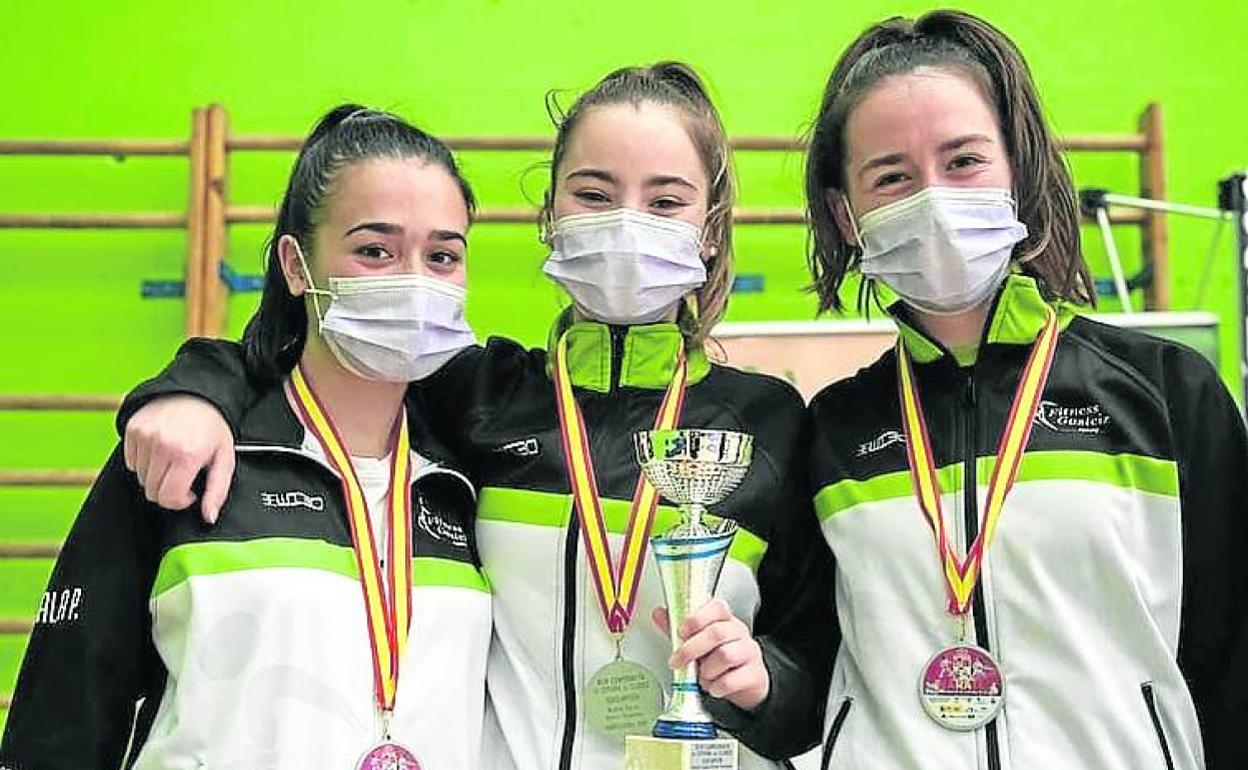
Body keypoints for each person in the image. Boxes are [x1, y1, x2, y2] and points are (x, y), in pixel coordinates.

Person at [111, 63, 836, 769]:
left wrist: (762, 682)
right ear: (550, 216)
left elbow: (814, 688)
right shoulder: (475, 393)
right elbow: (301, 361)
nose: (626, 223)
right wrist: (192, 389)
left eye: (665, 202)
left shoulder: (769, 422)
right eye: (593, 194)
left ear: (709, 228)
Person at [801, 11, 1248, 770]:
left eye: (964, 160)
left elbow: (1232, 660)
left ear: (1016, 172)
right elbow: (807, 676)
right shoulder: (834, 429)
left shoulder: (1165, 394)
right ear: (848, 215)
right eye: (892, 177)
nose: (932, 197)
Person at [0, 105, 492, 769]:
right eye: (374, 251)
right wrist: (198, 382)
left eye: (442, 256)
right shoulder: (190, 454)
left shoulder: (470, 469)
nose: (413, 280)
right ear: (296, 264)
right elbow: (64, 722)